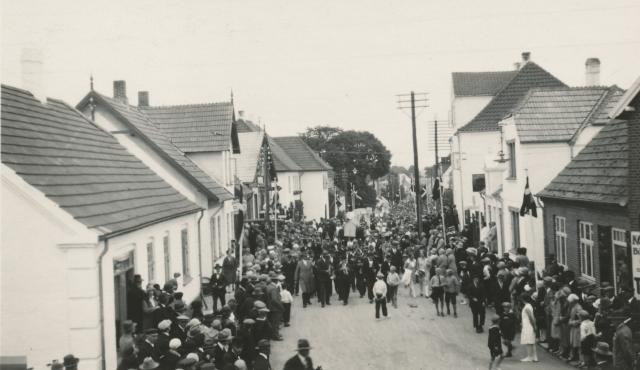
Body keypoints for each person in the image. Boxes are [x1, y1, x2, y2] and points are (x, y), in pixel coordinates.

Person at [520, 293, 538, 362]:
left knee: (529, 342)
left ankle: (529, 356)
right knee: (531, 341)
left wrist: (534, 326)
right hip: (528, 325)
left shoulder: (527, 307)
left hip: (528, 325)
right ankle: (534, 357)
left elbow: (531, 317)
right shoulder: (529, 306)